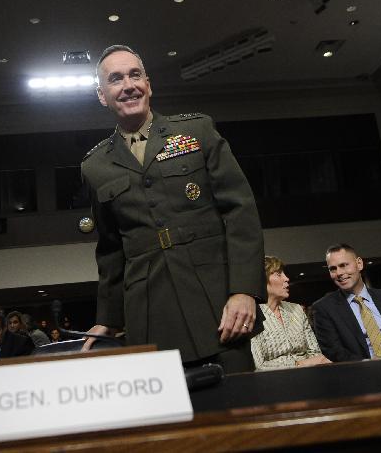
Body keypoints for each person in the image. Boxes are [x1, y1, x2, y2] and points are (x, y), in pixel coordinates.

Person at [81, 45, 265, 373]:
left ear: (148, 84)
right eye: (116, 79)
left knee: (237, 409)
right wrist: (107, 321)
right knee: (169, 417)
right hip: (150, 315)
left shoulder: (197, 131)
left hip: (219, 305)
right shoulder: (95, 166)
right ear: (102, 95)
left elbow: (240, 211)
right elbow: (111, 250)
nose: (128, 85)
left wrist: (244, 290)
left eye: (135, 75)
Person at [312, 244, 381, 361]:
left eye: (343, 265)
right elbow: (334, 351)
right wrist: (366, 364)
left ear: (359, 264)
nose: (339, 273)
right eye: (333, 269)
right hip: (364, 370)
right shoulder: (324, 309)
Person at [250, 257, 329, 370]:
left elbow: (315, 352)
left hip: (309, 376)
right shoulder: (252, 314)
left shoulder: (296, 309)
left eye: (285, 274)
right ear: (263, 280)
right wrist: (299, 364)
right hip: (272, 382)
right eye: (278, 274)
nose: (286, 278)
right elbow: (259, 365)